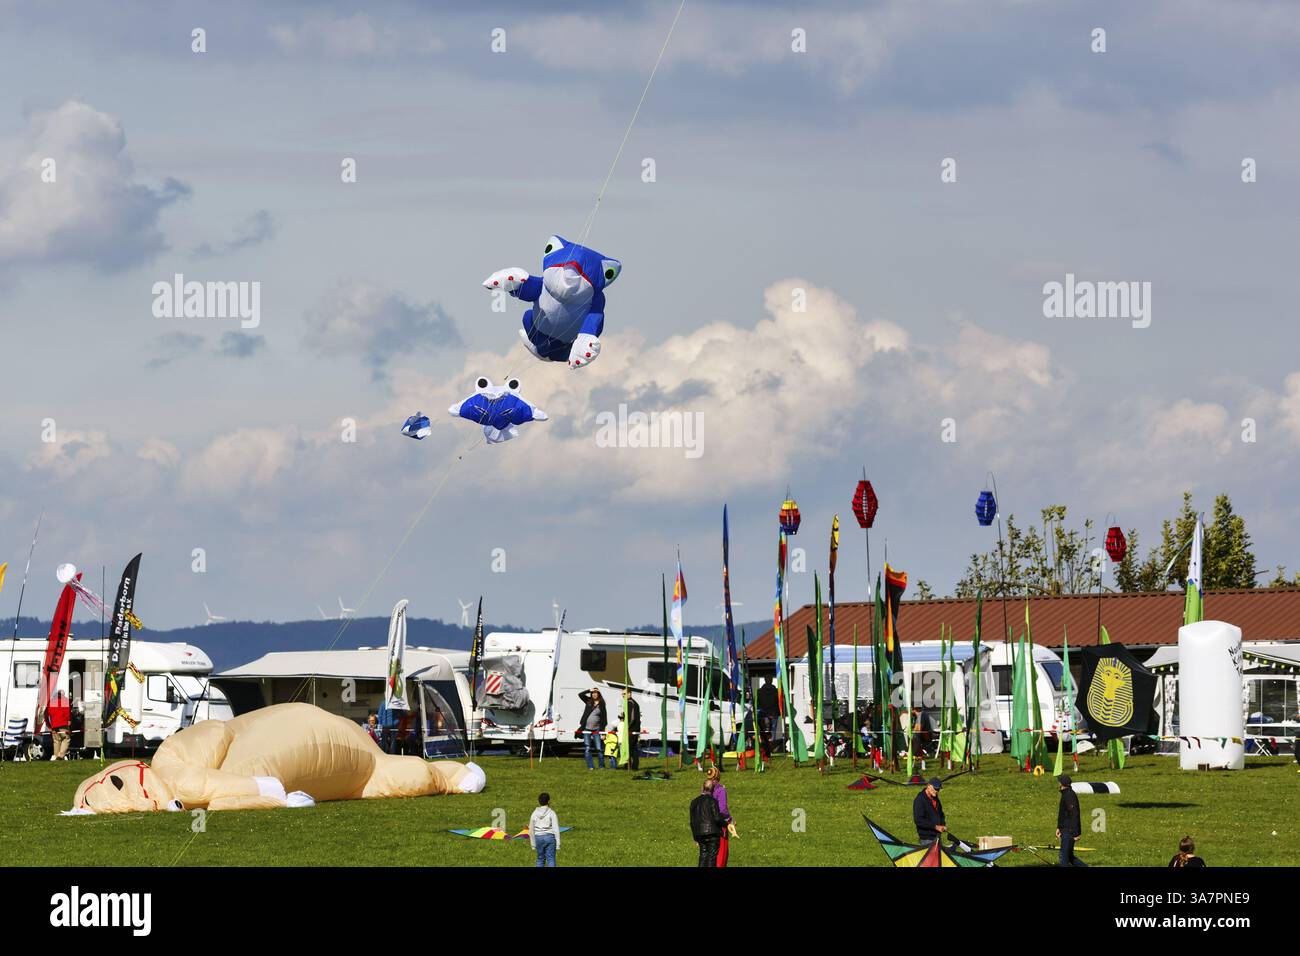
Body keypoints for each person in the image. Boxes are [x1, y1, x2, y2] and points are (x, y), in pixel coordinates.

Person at [705, 766, 738, 866]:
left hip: (707, 825)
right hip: (720, 825)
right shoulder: (721, 789)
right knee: (721, 854)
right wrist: (730, 820)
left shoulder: (705, 789)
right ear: (718, 777)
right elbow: (723, 809)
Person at [690, 780, 726, 867]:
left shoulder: (694, 802)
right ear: (712, 790)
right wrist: (725, 824)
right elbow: (717, 818)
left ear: (702, 788)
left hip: (699, 833)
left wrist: (695, 836)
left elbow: (692, 821)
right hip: (712, 833)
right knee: (711, 857)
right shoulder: (712, 801)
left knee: (703, 856)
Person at [1056, 775, 1087, 867]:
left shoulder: (1069, 795)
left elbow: (1074, 814)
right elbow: (1063, 814)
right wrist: (1059, 827)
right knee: (1069, 857)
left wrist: (1076, 833)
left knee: (1063, 858)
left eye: (1059, 781)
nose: (1058, 783)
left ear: (1062, 783)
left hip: (1069, 831)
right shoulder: (1066, 794)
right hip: (1065, 829)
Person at [578, 688, 607, 769]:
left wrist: (603, 732)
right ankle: (591, 766)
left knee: (599, 748)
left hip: (597, 729)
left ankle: (601, 766)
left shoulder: (602, 704)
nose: (594, 694)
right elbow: (580, 694)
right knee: (587, 748)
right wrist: (589, 690)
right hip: (586, 729)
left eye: (596, 693)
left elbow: (604, 718)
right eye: (593, 693)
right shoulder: (588, 701)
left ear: (598, 694)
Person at [529, 792, 560, 867]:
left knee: (540, 858)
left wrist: (533, 844)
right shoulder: (552, 813)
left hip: (538, 838)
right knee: (551, 859)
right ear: (549, 801)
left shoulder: (534, 813)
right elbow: (556, 828)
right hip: (550, 837)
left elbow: (531, 829)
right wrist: (558, 843)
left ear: (538, 801)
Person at [913, 777, 946, 842]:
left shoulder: (935, 798)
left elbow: (941, 814)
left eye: (938, 789)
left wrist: (942, 824)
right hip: (926, 839)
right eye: (935, 789)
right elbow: (919, 820)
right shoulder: (920, 800)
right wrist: (935, 827)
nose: (936, 791)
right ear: (928, 786)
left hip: (937, 837)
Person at [622, 689, 641, 770]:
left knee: (629, 748)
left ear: (629, 694)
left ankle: (628, 766)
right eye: (622, 694)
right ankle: (634, 766)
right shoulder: (632, 703)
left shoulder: (630, 703)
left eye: (624, 693)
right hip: (634, 729)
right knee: (633, 749)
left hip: (631, 729)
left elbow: (631, 718)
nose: (623, 695)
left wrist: (627, 727)